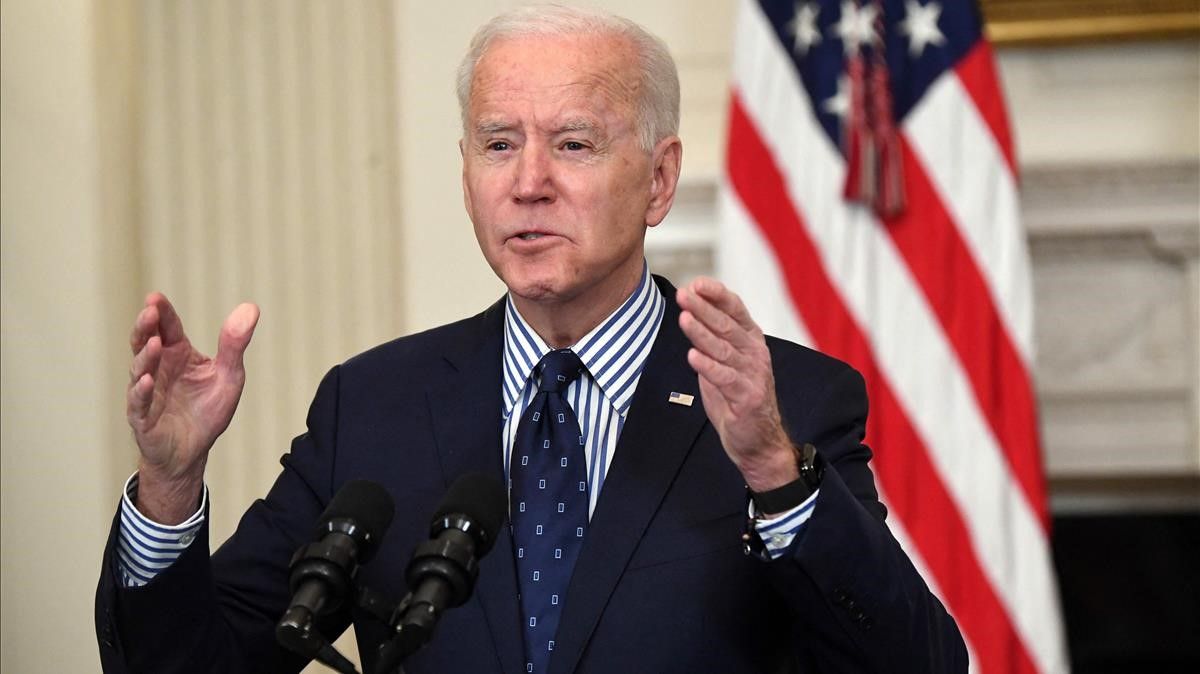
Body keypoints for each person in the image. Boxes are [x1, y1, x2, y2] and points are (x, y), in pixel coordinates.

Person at [96, 6, 966, 673]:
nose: (529, 183)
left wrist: (776, 474)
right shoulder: (373, 406)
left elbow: (917, 663)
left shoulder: (785, 404)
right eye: (498, 144)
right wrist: (170, 488)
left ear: (659, 180)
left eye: (574, 144)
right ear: (466, 173)